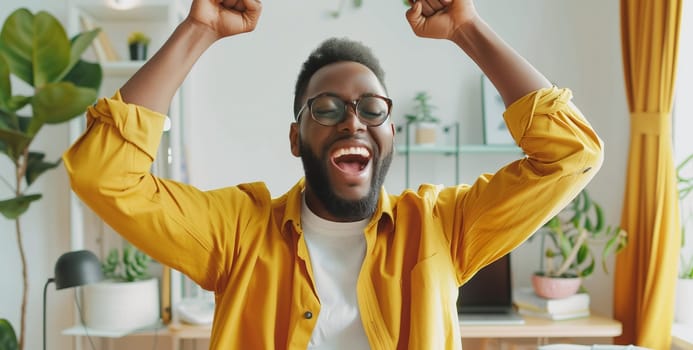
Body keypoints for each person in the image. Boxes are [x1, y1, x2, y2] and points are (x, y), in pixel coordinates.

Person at [63, 0, 603, 348]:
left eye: (373, 109)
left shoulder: (442, 226)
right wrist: (199, 27)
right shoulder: (236, 232)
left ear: (391, 133)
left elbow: (571, 155)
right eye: (326, 108)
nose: (353, 120)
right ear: (296, 137)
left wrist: (466, 27)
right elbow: (103, 175)